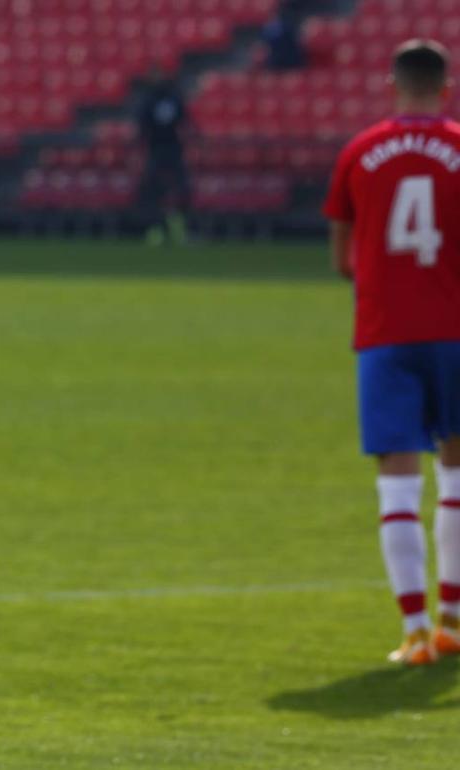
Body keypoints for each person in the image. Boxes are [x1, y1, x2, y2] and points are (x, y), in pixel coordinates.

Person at [323, 39, 460, 666]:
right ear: (445, 85)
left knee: (398, 487)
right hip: (455, 331)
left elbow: (340, 258)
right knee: (456, 477)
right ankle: (453, 621)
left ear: (392, 82)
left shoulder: (361, 151)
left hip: (386, 336)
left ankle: (414, 631)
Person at [135, 64, 191, 246]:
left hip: (174, 150)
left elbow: (186, 121)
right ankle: (155, 230)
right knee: (152, 192)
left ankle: (179, 229)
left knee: (182, 190)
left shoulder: (174, 98)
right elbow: (141, 129)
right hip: (154, 150)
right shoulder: (147, 101)